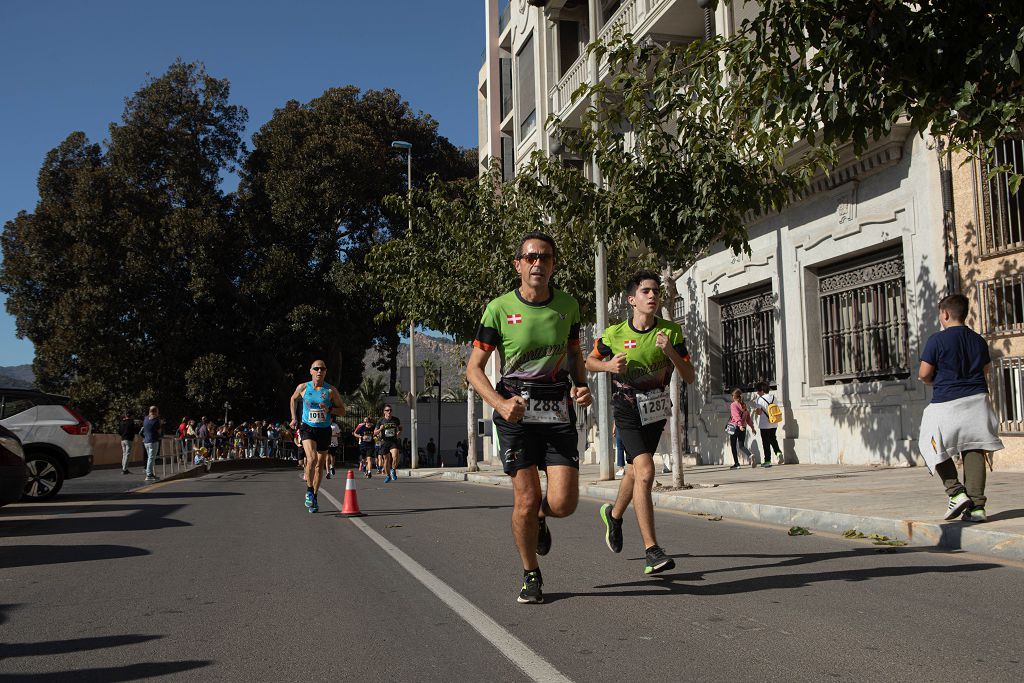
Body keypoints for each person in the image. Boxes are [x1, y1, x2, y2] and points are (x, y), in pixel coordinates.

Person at [466, 230, 592, 604]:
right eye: (532, 257)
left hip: (557, 410)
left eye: (546, 258)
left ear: (553, 265)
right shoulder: (499, 308)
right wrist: (500, 404)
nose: (539, 263)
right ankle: (531, 574)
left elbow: (573, 353)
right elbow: (473, 370)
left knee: (565, 504)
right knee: (524, 498)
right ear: (518, 264)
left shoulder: (568, 305)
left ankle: (541, 517)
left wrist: (581, 386)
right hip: (515, 413)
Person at [587, 270, 695, 576]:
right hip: (626, 409)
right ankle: (652, 550)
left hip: (656, 409)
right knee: (646, 470)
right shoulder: (614, 334)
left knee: (635, 470)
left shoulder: (671, 333)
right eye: (646, 291)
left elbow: (689, 376)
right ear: (632, 299)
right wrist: (608, 365)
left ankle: (614, 515)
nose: (653, 296)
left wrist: (670, 352)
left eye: (656, 291)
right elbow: (588, 361)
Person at [918, 294, 1004, 522]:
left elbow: (924, 373)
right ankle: (976, 508)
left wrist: (932, 381)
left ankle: (955, 492)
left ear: (945, 314)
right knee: (974, 448)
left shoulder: (937, 340)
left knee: (929, 442)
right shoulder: (978, 340)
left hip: (947, 402)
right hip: (978, 402)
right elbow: (985, 370)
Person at [289, 360, 346, 513]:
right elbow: (293, 399)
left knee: (320, 465)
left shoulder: (330, 391)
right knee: (312, 458)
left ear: (326, 372)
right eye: (316, 368)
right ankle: (309, 490)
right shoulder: (303, 387)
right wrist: (294, 417)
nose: (319, 371)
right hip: (307, 427)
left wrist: (330, 409)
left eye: (322, 369)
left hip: (324, 430)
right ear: (311, 371)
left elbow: (343, 411)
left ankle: (314, 496)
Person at [753, 382, 784, 466]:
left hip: (764, 424)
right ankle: (778, 452)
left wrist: (755, 410)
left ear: (762, 391)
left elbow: (759, 413)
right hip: (774, 422)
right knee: (773, 439)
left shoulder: (759, 400)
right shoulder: (774, 397)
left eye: (758, 391)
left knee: (765, 442)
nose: (757, 393)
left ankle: (767, 461)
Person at [727, 388, 756, 469]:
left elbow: (736, 416)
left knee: (733, 445)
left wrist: (739, 425)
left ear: (734, 396)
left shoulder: (733, 405)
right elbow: (748, 418)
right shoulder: (743, 405)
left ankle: (737, 464)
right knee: (741, 445)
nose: (732, 397)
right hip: (743, 427)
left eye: (732, 395)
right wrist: (752, 427)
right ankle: (750, 455)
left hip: (735, 427)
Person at [374, 405, 402, 482]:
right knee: (386, 460)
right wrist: (380, 429)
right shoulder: (380, 421)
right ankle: (388, 475)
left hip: (393, 441)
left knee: (395, 455)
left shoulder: (396, 420)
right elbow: (375, 432)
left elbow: (400, 428)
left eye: (390, 410)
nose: (389, 411)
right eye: (387, 410)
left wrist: (399, 432)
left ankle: (393, 470)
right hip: (384, 442)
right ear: (384, 412)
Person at [141, 406, 163, 482]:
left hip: (146, 441)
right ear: (156, 411)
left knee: (149, 458)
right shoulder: (156, 420)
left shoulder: (146, 418)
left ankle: (150, 473)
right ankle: (149, 475)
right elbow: (159, 431)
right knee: (151, 458)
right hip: (153, 441)